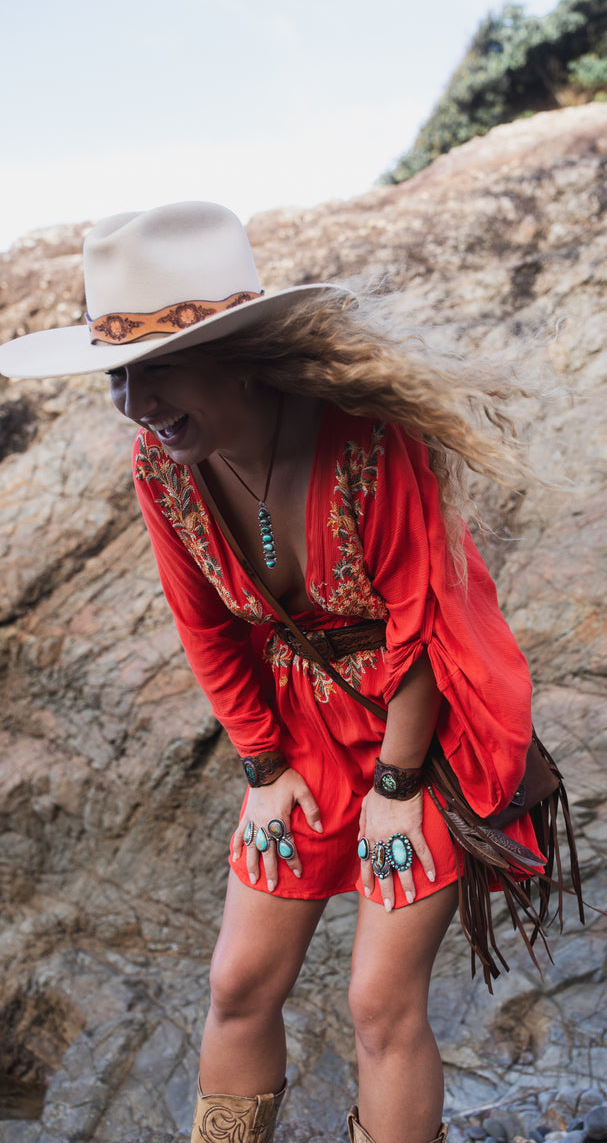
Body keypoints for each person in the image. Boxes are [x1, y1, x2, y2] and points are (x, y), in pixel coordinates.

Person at [0, 202, 550, 1143]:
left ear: (238, 354)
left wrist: (397, 786)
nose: (136, 403)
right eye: (117, 377)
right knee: (239, 985)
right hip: (305, 732)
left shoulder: (371, 437)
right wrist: (264, 769)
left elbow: (423, 624)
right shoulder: (161, 467)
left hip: (430, 727)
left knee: (378, 1005)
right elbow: (206, 627)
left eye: (156, 369)